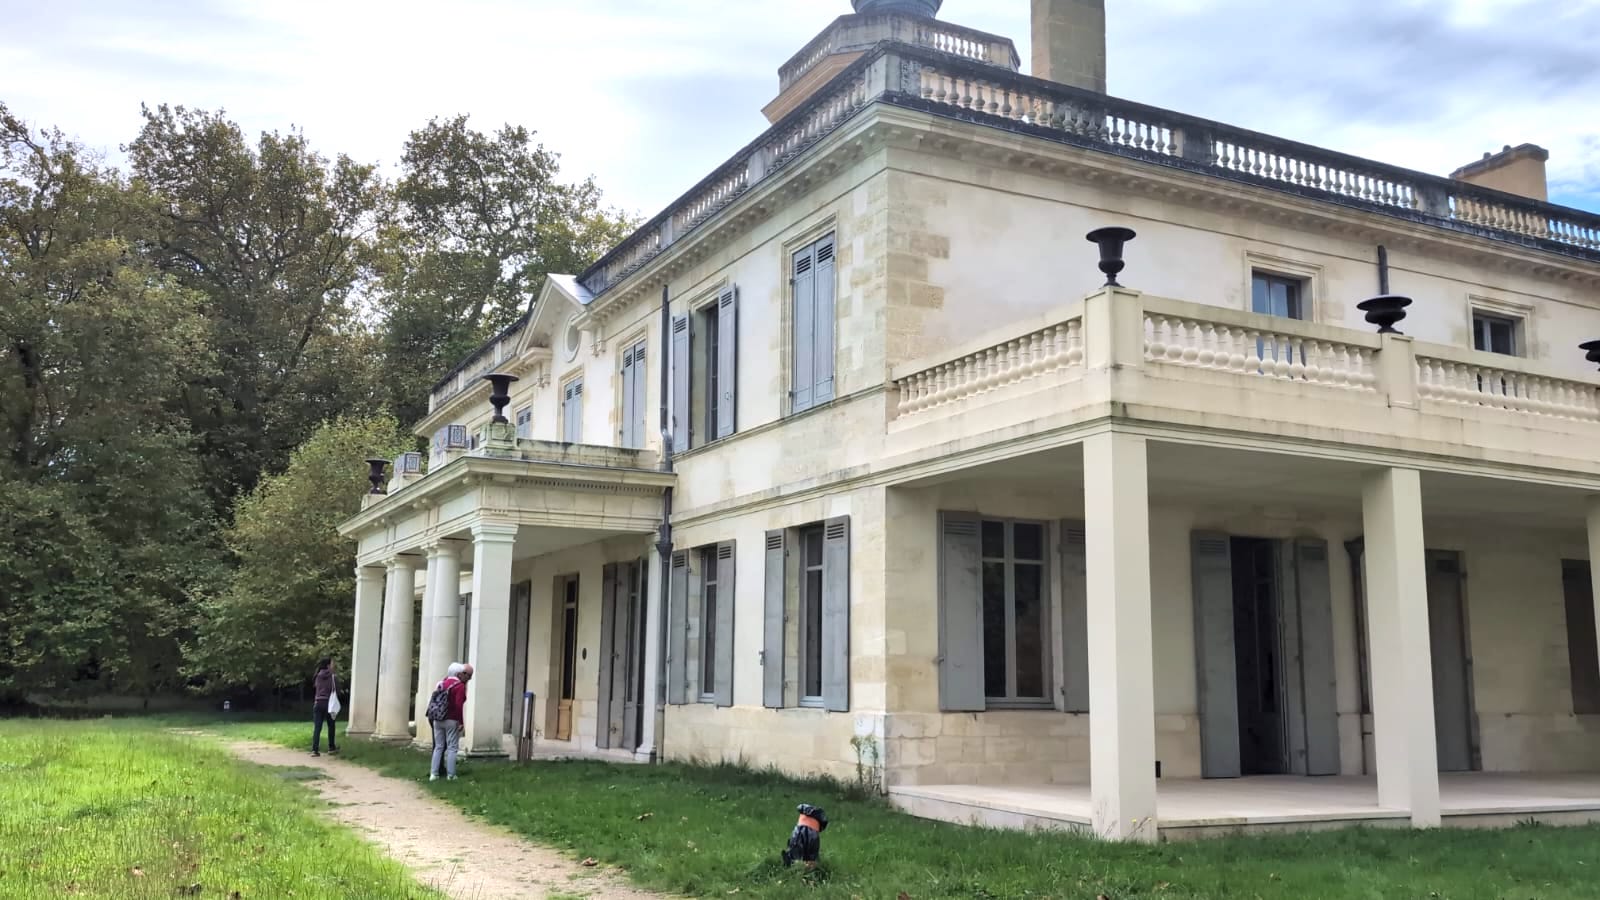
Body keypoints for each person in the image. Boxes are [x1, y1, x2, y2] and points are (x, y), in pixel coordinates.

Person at [429, 663, 472, 781]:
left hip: (438, 718)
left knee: (438, 746)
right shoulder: (459, 686)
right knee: (452, 747)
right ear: (458, 674)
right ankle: (451, 774)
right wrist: (461, 721)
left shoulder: (441, 683)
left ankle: (434, 774)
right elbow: (459, 706)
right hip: (451, 719)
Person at [311, 657, 339, 757]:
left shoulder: (317, 676)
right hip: (329, 703)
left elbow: (316, 688)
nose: (333, 665)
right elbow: (336, 690)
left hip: (318, 702)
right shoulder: (333, 677)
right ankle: (331, 747)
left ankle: (314, 750)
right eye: (332, 663)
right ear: (328, 666)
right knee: (331, 726)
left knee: (317, 727)